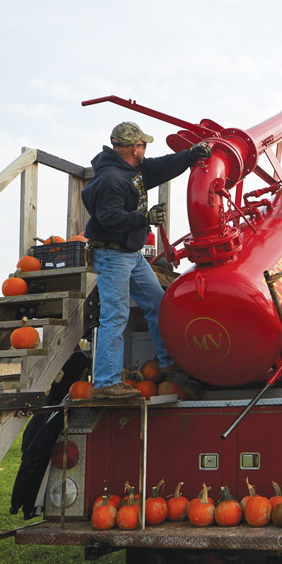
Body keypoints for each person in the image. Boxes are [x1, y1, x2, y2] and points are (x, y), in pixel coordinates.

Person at [81, 121, 211, 399]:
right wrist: (145, 218)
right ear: (133, 148)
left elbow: (160, 167)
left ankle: (166, 362)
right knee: (115, 316)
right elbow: (109, 217)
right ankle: (105, 383)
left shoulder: (133, 170)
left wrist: (190, 155)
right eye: (143, 145)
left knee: (156, 302)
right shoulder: (111, 180)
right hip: (113, 255)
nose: (146, 150)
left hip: (130, 253)